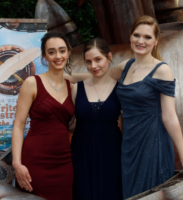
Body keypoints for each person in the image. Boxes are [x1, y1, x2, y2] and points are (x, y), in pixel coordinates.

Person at [111, 15, 183, 198]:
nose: (141, 41)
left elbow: (169, 116)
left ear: (155, 42)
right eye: (137, 35)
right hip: (129, 145)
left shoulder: (162, 70)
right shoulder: (124, 67)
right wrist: (69, 78)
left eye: (147, 37)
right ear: (130, 37)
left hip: (154, 143)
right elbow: (102, 80)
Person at [11, 32, 75, 200]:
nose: (58, 56)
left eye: (62, 50)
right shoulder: (32, 83)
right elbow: (18, 124)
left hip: (64, 162)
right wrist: (17, 164)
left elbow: (99, 75)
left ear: (68, 52)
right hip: (35, 161)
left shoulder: (71, 86)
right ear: (45, 56)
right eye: (52, 52)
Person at [70, 38, 123, 200]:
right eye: (89, 62)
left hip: (112, 154)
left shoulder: (121, 89)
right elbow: (67, 122)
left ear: (109, 57)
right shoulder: (76, 88)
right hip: (81, 155)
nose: (93, 66)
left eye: (98, 59)